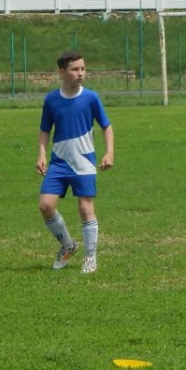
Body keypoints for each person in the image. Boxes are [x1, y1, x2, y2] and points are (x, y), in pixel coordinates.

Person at [36, 51, 114, 274]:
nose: (80, 73)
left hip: (84, 162)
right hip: (59, 162)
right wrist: (41, 154)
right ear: (62, 72)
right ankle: (68, 245)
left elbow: (106, 126)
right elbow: (44, 130)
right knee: (46, 205)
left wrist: (109, 152)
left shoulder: (91, 97)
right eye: (75, 69)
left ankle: (90, 258)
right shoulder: (52, 99)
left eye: (82, 69)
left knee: (85, 208)